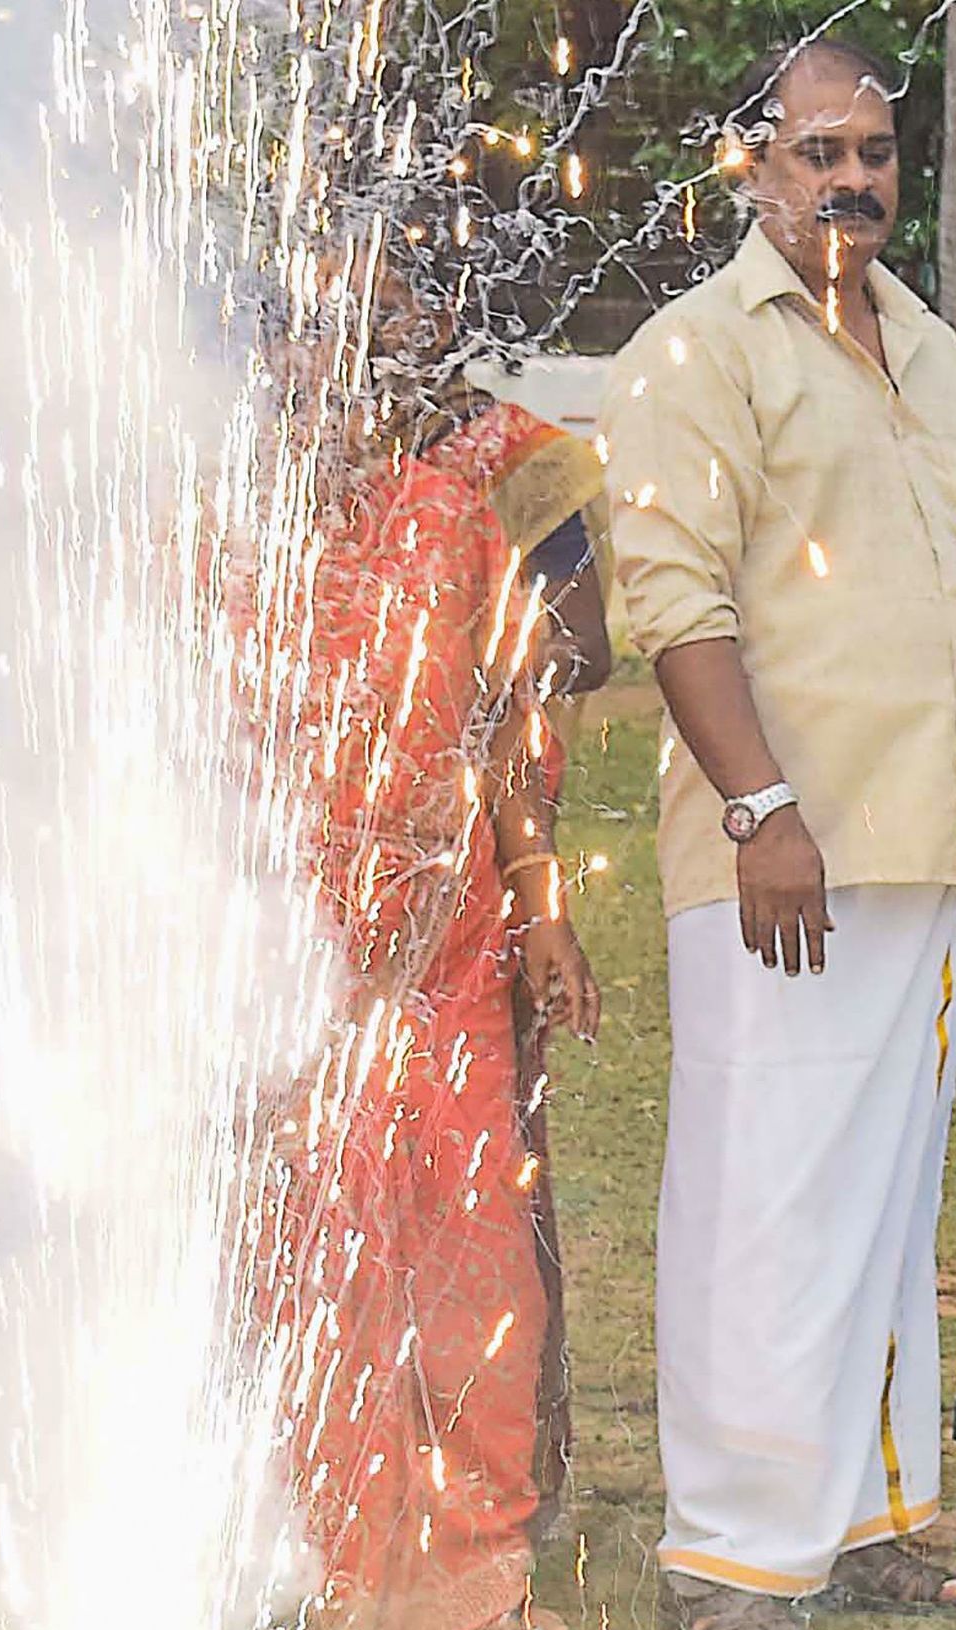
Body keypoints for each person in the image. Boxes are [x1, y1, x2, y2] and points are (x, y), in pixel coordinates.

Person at [599, 36, 956, 1630]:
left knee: (885, 1195)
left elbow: (955, 606)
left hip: (928, 837)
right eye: (820, 152)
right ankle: (729, 1551)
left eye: (876, 153)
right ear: (752, 168)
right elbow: (675, 607)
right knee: (763, 1193)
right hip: (786, 849)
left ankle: (855, 1516)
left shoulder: (927, 349)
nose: (854, 179)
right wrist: (761, 808)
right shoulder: (696, 352)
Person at [267, 278, 577, 1630]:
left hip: (443, 948)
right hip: (276, 962)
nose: (326, 377)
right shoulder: (214, 530)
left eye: (350, 352)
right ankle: (322, 1563)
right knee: (313, 1260)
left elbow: (514, 720)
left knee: (468, 1249)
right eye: (296, 345)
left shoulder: (450, 519)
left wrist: (544, 908)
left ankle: (475, 1569)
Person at [417, 368, 607, 1533]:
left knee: (487, 1165)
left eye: (406, 289)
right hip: (319, 845)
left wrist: (445, 654)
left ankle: (508, 1471)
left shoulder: (511, 452)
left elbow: (582, 645)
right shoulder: (283, 427)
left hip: (477, 825)